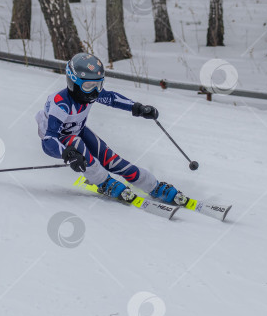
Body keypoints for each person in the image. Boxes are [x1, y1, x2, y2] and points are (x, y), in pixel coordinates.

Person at [35, 52, 187, 205]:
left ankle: (153, 185)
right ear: (73, 82)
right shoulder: (61, 104)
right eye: (89, 86)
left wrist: (138, 108)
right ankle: (103, 181)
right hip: (59, 141)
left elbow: (112, 99)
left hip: (78, 131)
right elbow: (48, 140)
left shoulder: (89, 93)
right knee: (76, 143)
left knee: (112, 160)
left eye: (98, 85)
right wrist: (68, 154)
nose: (95, 92)